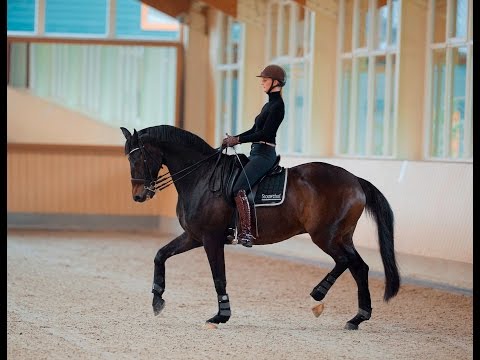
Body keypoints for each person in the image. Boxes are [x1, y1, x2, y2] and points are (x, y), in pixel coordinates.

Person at [222, 64, 286, 247]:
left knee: (239, 188)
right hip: (255, 152)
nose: (262, 83)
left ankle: (247, 233)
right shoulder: (268, 105)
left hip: (265, 154)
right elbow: (254, 130)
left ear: (276, 82)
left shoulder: (278, 106)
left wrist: (239, 140)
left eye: (265, 80)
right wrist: (234, 138)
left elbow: (264, 134)